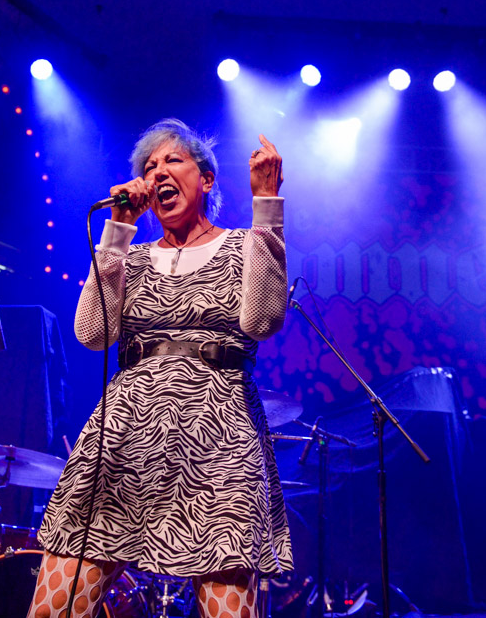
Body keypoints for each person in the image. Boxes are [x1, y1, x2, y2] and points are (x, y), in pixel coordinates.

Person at [28, 118, 291, 618]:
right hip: (125, 436)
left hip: (218, 441)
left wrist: (266, 203)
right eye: (150, 167)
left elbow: (262, 321)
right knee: (53, 610)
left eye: (173, 160)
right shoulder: (131, 256)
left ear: (206, 179)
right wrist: (118, 230)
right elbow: (92, 332)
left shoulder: (246, 244)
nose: (158, 172)